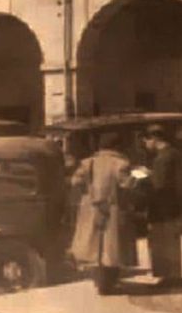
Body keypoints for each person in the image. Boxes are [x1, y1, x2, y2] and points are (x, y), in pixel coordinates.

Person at [69, 132, 137, 295]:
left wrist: (88, 193)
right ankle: (109, 281)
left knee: (94, 246)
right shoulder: (121, 163)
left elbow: (74, 182)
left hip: (91, 209)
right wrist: (138, 176)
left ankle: (99, 280)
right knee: (111, 247)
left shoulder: (87, 163)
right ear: (117, 146)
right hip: (112, 209)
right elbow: (127, 185)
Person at [142, 124, 182, 287]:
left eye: (146, 141)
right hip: (173, 206)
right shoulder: (175, 154)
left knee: (163, 242)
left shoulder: (163, 158)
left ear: (154, 139)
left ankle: (171, 278)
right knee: (170, 242)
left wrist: (146, 176)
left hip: (163, 208)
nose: (146, 145)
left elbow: (159, 185)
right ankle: (172, 276)